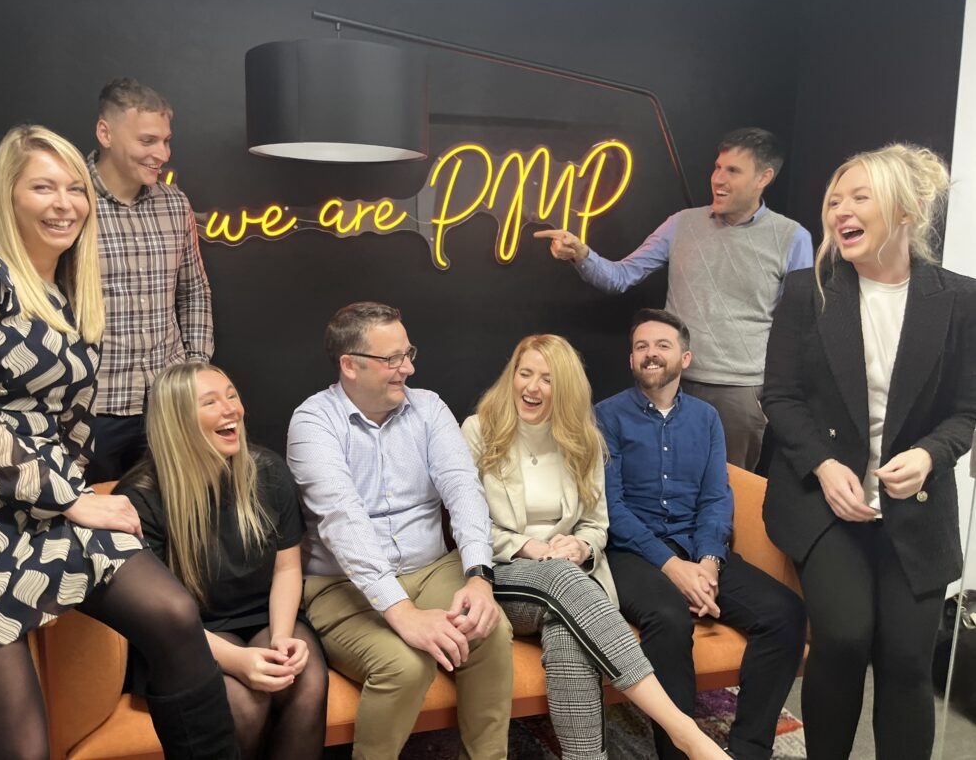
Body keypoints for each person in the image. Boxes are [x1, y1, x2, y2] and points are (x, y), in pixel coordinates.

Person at [0, 125, 235, 758]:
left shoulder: (68, 295)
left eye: (75, 189)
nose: (64, 204)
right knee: (21, 746)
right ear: (7, 194)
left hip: (50, 502)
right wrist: (72, 499)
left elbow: (68, 419)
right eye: (42, 187)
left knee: (174, 615)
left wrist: (71, 489)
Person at [762, 144, 976, 760]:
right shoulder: (807, 291)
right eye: (834, 200)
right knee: (844, 639)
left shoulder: (959, 300)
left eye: (860, 198)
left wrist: (930, 454)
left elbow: (966, 411)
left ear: (905, 211)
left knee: (908, 659)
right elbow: (779, 396)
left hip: (918, 512)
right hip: (826, 505)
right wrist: (824, 464)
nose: (841, 212)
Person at [462, 334, 729, 760]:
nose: (531, 387)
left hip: (572, 581)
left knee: (570, 634)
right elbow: (469, 524)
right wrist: (529, 546)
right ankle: (684, 731)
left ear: (566, 389)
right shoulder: (479, 431)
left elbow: (597, 523)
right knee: (561, 580)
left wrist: (582, 546)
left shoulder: (583, 438)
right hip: (504, 574)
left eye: (547, 379)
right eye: (524, 373)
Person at [287, 301, 513, 759]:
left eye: (408, 354)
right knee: (405, 666)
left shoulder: (429, 408)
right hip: (342, 585)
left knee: (489, 631)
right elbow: (343, 519)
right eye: (392, 359)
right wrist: (402, 612)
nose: (407, 368)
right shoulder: (312, 422)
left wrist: (478, 576)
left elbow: (463, 489)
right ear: (350, 365)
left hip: (432, 568)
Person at [596, 309, 806, 760]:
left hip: (698, 547)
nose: (651, 354)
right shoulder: (606, 416)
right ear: (631, 360)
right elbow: (612, 508)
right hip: (632, 553)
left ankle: (747, 750)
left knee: (785, 613)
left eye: (662, 345)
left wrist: (708, 563)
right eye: (641, 347)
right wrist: (674, 568)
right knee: (669, 618)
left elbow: (716, 497)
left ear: (685, 358)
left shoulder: (707, 418)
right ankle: (682, 751)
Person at [539, 128, 813, 472]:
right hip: (671, 379)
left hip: (740, 393)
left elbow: (797, 325)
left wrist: (774, 392)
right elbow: (621, 277)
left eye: (733, 170)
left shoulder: (793, 238)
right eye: (717, 167)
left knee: (728, 489)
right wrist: (581, 254)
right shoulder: (681, 224)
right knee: (656, 479)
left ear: (764, 177)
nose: (718, 179)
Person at [117, 362, 328, 759]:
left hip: (263, 617)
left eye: (232, 395)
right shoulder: (140, 498)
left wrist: (283, 637)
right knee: (244, 706)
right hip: (186, 634)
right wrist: (240, 661)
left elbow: (287, 567)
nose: (231, 409)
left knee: (307, 680)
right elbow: (157, 618)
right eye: (211, 402)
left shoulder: (268, 472)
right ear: (178, 419)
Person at [85, 77, 214, 483]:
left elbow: (194, 290)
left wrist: (194, 369)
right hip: (93, 405)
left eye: (166, 141)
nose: (162, 154)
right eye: (147, 141)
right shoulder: (70, 200)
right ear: (105, 133)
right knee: (96, 514)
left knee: (171, 509)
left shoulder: (174, 203)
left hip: (166, 402)